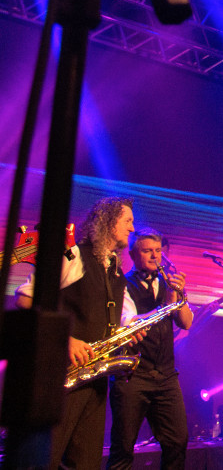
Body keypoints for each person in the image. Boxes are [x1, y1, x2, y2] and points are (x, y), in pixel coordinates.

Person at [15, 196, 138, 469]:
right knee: (43, 459)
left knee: (86, 463)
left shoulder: (117, 272)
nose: (132, 228)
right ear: (107, 222)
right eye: (127, 221)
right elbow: (25, 299)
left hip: (94, 383)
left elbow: (122, 316)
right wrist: (65, 340)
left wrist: (130, 329)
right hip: (60, 379)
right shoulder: (74, 256)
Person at [107, 228, 193, 470]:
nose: (155, 256)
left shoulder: (168, 282)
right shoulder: (121, 284)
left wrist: (177, 293)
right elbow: (131, 322)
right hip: (133, 376)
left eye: (158, 251)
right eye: (147, 251)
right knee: (123, 448)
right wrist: (167, 300)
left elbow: (186, 322)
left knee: (177, 442)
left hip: (166, 376)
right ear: (133, 255)